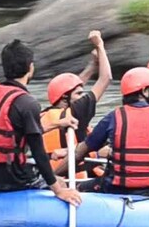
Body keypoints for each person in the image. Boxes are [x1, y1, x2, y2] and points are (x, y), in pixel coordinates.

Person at [0, 39, 82, 206]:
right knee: (59, 181)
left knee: (47, 174)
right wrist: (58, 190)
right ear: (30, 67)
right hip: (11, 179)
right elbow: (38, 152)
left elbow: (14, 132)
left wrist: (58, 124)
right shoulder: (27, 103)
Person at [61, 67, 149, 198]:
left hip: (115, 189)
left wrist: (53, 177)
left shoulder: (113, 117)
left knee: (81, 186)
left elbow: (78, 153)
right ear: (144, 91)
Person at [40, 30, 113, 178]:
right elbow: (106, 78)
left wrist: (92, 65)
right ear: (64, 99)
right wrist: (100, 46)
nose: (83, 96)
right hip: (77, 183)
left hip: (51, 179)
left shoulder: (41, 115)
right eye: (79, 94)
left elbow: (69, 88)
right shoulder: (76, 112)